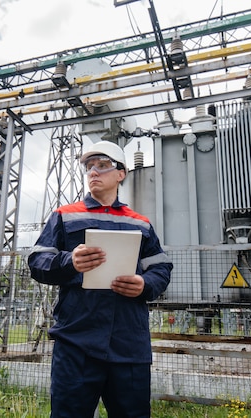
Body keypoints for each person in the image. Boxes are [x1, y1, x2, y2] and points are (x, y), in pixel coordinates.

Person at [27, 140, 173, 418]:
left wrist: (145, 284)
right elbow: (37, 262)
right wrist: (69, 261)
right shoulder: (64, 216)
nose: (93, 171)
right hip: (76, 344)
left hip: (128, 346)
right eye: (88, 166)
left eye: (103, 165)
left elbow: (161, 269)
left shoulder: (140, 223)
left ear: (121, 174)